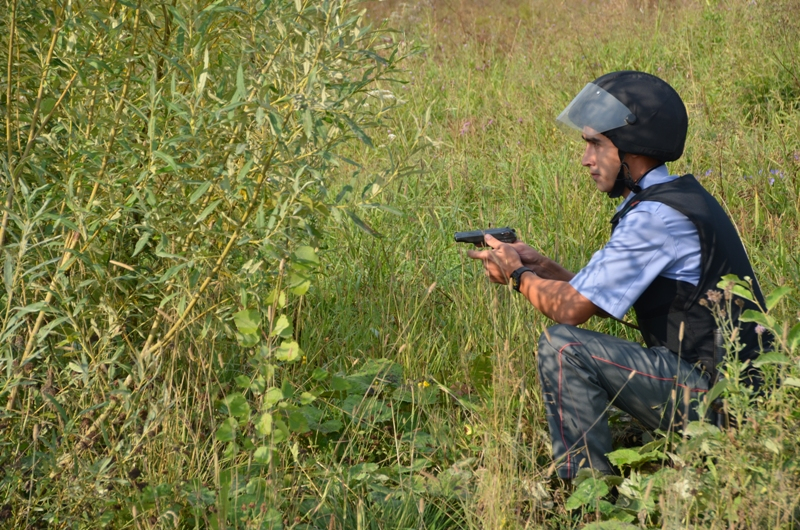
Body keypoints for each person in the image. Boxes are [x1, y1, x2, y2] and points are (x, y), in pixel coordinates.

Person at [467, 71, 767, 479]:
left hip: (722, 404)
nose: (586, 159)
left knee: (562, 346)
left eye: (595, 144)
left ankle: (585, 493)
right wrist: (542, 267)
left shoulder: (654, 218)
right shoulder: (676, 200)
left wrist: (517, 275)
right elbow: (600, 300)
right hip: (733, 395)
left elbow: (572, 312)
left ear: (631, 148)